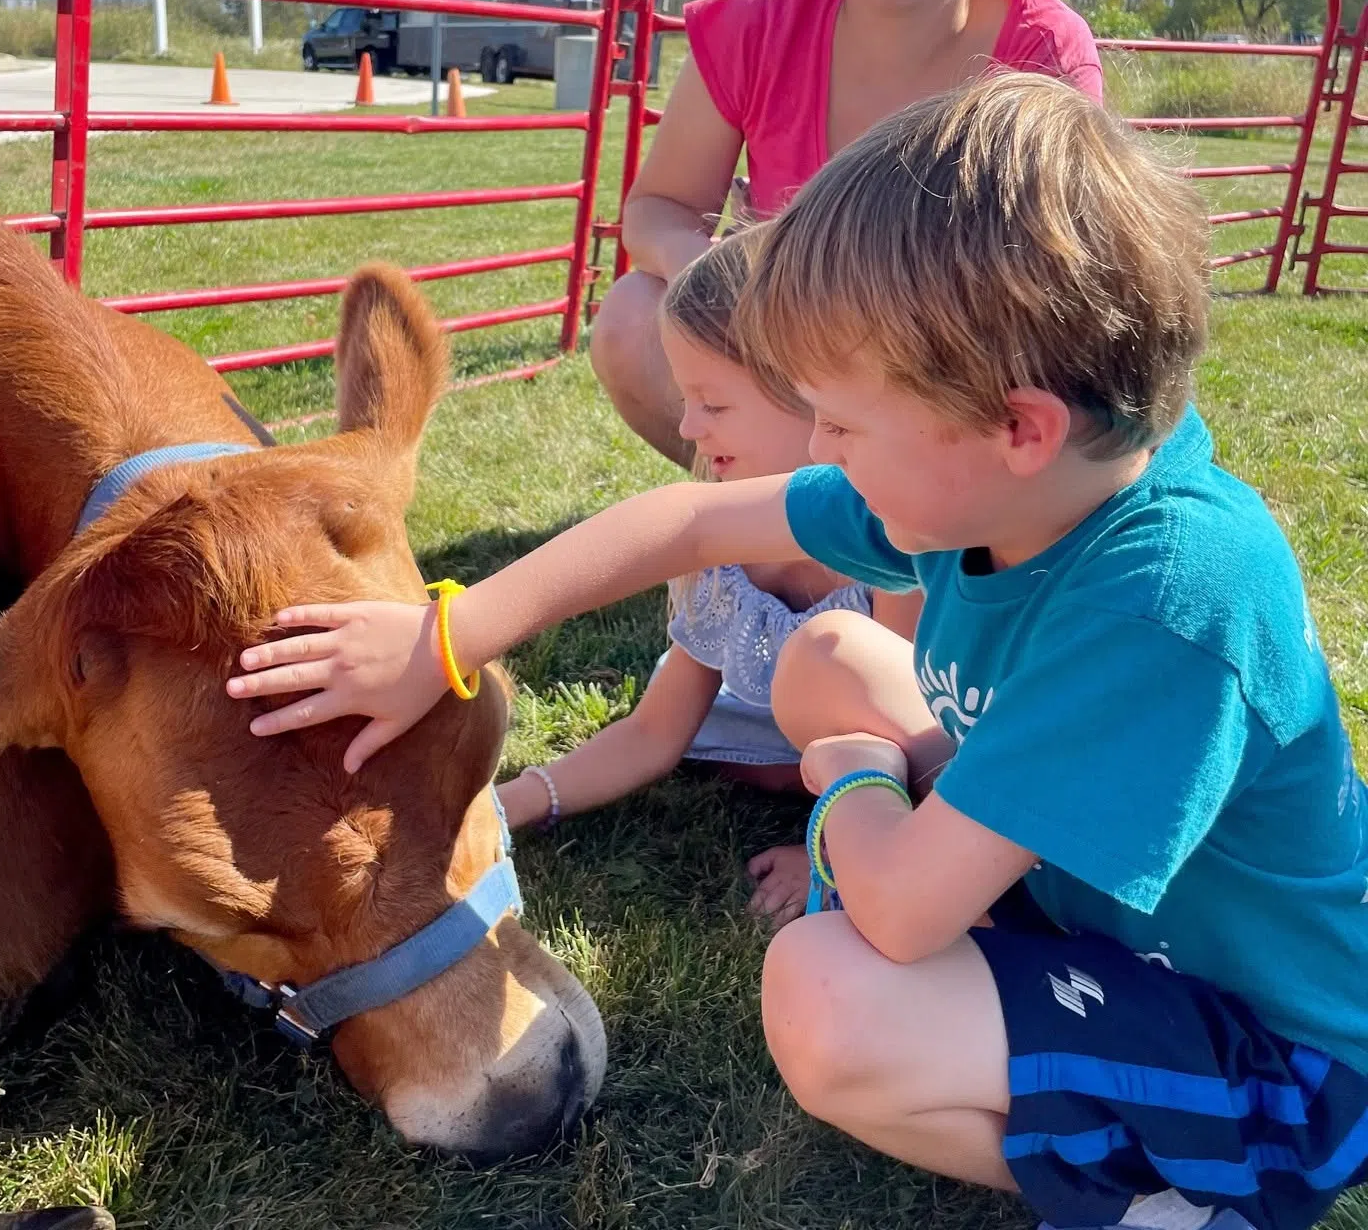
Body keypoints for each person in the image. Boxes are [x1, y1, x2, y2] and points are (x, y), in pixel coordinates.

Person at [229, 73, 1368, 1230]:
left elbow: (904, 915)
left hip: (1279, 1063)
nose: (814, 451)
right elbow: (679, 522)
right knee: (830, 655)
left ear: (1018, 426)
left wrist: (853, 771)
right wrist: (445, 638)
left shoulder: (1166, 599)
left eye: (840, 419)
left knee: (827, 996)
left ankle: (1176, 1207)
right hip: (1093, 926)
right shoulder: (1004, 485)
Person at [591, 0, 1102, 468]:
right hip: (780, 337)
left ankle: (901, 539)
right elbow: (657, 210)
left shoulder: (1045, 55)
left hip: (950, 368)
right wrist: (732, 277)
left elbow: (1046, 289)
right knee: (631, 320)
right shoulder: (757, 23)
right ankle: (768, 528)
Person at [495, 233, 931, 927]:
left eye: (714, 403)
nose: (688, 425)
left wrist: (828, 846)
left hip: (896, 755)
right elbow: (652, 734)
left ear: (813, 394)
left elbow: (923, 741)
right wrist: (513, 801)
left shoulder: (899, 547)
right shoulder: (721, 555)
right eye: (685, 399)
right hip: (764, 740)